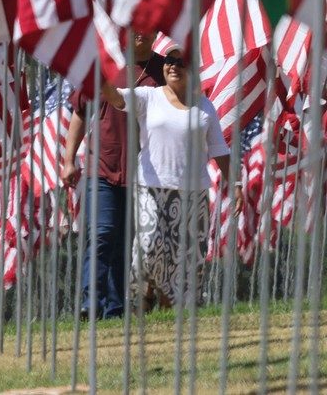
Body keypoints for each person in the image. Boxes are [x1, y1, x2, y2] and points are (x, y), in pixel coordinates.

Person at [100, 48, 232, 310]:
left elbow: (219, 149)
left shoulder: (205, 107)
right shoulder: (148, 97)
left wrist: (234, 184)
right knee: (148, 247)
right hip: (151, 188)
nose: (174, 66)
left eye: (182, 62)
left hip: (193, 193)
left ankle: (169, 308)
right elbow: (116, 98)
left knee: (185, 258)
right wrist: (99, 73)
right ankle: (146, 292)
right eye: (170, 61)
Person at [61, 32, 165, 319]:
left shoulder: (166, 70)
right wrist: (69, 160)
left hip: (145, 172)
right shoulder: (106, 64)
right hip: (102, 166)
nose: (140, 33)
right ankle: (90, 301)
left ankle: (115, 307)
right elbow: (80, 112)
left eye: (148, 26)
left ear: (157, 31)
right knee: (103, 232)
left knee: (125, 240)